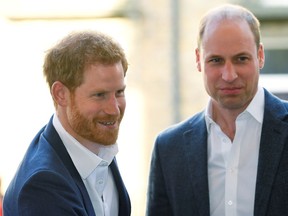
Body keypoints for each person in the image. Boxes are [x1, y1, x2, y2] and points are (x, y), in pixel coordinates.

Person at [146, 4, 288, 216]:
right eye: (216, 60)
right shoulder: (169, 148)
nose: (229, 75)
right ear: (198, 60)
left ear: (260, 55)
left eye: (241, 59)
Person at [3, 30, 131, 215]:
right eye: (99, 95)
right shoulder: (41, 186)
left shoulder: (98, 144)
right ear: (60, 94)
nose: (114, 109)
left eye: (119, 92)